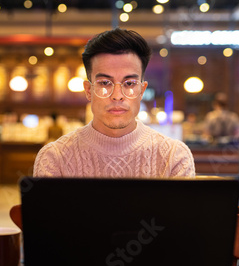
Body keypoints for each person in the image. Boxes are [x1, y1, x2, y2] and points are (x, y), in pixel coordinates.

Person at [34, 28, 195, 178]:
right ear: (88, 90)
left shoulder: (174, 157)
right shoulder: (54, 158)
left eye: (129, 84)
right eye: (105, 83)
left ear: (142, 90)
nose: (117, 96)